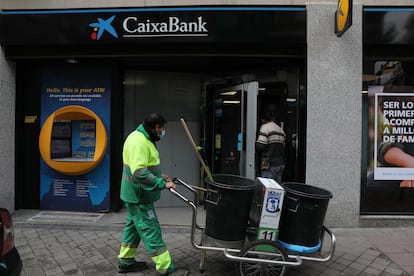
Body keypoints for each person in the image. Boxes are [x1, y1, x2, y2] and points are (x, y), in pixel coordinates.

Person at [117, 113, 189, 275]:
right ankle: (166, 268)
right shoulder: (139, 142)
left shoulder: (141, 137)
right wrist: (162, 184)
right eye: (163, 128)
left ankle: (126, 261)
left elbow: (145, 165)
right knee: (151, 229)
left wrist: (158, 175)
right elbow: (140, 173)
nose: (163, 131)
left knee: (133, 227)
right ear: (156, 127)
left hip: (135, 195)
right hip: (139, 196)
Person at [256, 111, 286, 184]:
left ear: (262, 120)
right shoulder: (280, 130)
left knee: (268, 188)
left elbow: (260, 146)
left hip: (269, 164)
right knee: (277, 189)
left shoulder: (265, 127)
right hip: (280, 163)